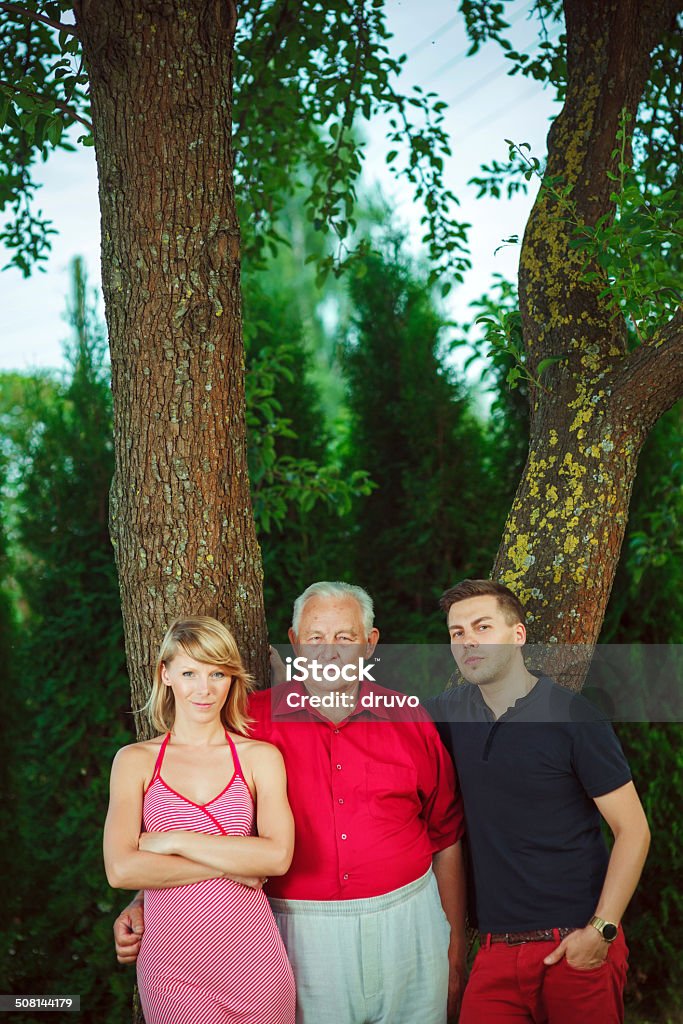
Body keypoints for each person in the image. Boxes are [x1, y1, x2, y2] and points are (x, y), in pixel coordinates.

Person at [115, 582, 467, 1024]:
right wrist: (144, 902)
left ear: (370, 643)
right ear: (296, 642)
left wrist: (453, 951)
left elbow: (446, 835)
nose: (330, 652)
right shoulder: (249, 724)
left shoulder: (409, 717)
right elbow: (213, 823)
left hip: (409, 924)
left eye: (345, 638)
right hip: (297, 931)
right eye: (316, 638)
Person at [428, 579, 650, 1024]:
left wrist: (601, 931)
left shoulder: (573, 716)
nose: (469, 640)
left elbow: (634, 831)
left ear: (518, 635)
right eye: (457, 632)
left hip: (575, 944)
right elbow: (371, 720)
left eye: (483, 626)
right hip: (494, 951)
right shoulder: (447, 714)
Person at [104, 616, 295, 1024]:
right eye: (189, 672)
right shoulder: (135, 761)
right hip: (172, 969)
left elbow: (277, 858)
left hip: (256, 966)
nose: (204, 689)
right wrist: (236, 867)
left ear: (231, 679)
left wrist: (172, 839)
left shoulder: (258, 757)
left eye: (217, 673)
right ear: (166, 674)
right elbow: (121, 869)